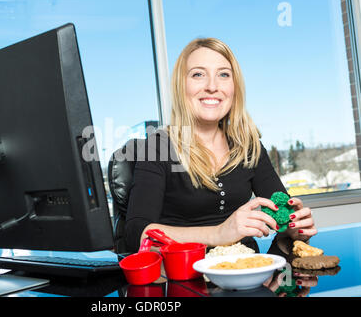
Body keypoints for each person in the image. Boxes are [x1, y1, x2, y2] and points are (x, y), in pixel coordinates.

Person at [124, 37, 317, 253]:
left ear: (234, 87)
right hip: (183, 276)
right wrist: (219, 233)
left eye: (223, 74)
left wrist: (295, 226)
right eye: (198, 74)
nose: (212, 87)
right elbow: (135, 233)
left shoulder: (248, 146)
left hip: (247, 272)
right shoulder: (157, 147)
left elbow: (281, 213)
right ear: (181, 86)